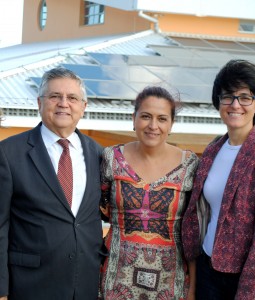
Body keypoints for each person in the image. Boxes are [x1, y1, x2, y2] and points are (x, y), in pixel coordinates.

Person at [182, 59, 255, 300]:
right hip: (210, 270)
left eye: (245, 97)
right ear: (218, 103)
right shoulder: (213, 150)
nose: (235, 104)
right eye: (227, 96)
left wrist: (248, 293)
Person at [0, 67, 106, 300]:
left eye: (72, 98)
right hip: (29, 285)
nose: (63, 103)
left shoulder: (100, 155)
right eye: (55, 96)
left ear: (83, 107)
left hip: (85, 284)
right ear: (40, 102)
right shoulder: (9, 153)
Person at [99, 86, 199, 299]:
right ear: (133, 118)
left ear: (171, 124)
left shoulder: (190, 165)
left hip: (171, 282)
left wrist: (193, 289)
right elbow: (96, 211)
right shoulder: (111, 158)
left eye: (162, 119)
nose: (153, 126)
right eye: (146, 116)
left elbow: (193, 232)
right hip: (116, 280)